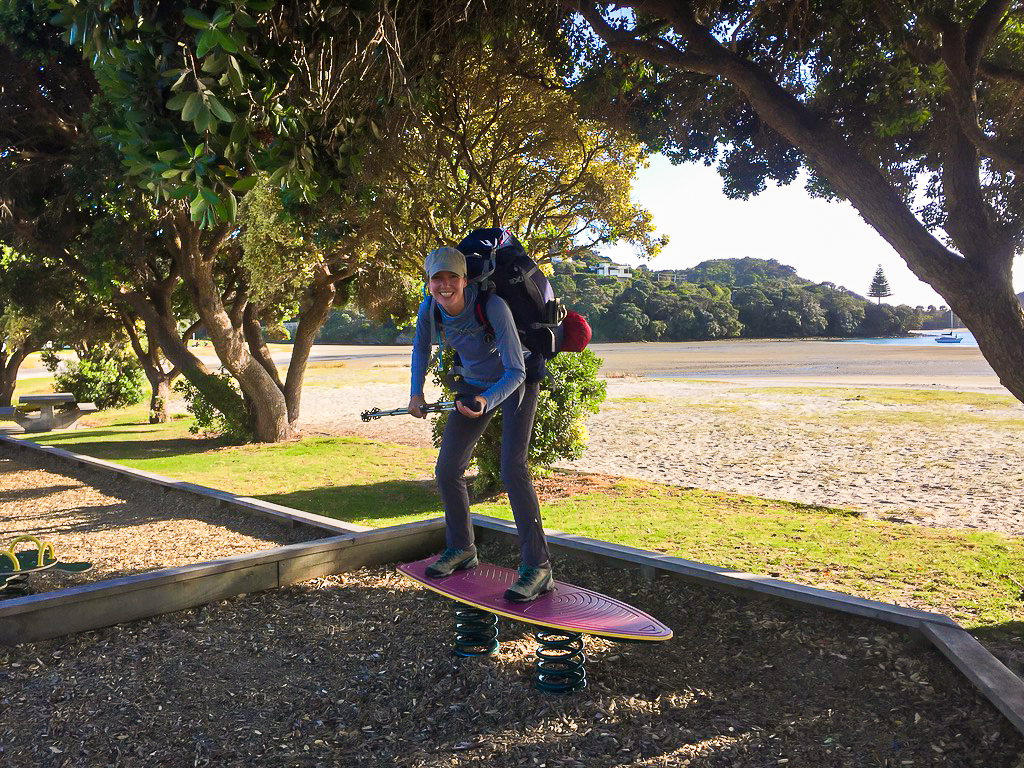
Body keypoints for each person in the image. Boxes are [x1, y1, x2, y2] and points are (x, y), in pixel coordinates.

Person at [408, 245, 553, 602]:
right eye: (437, 278)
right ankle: (462, 548)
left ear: (464, 279)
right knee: (447, 470)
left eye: (452, 278)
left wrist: (488, 400)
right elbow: (420, 350)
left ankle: (539, 568)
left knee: (512, 469)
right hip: (473, 386)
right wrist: (415, 393)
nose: (445, 285)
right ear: (428, 283)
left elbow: (517, 371)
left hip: (514, 383)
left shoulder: (492, 307)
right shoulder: (430, 309)